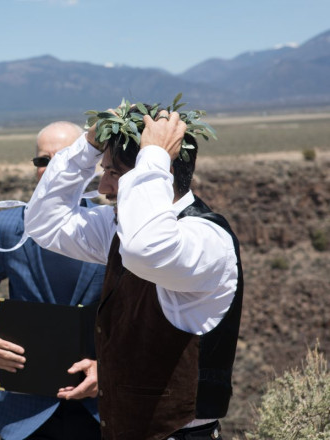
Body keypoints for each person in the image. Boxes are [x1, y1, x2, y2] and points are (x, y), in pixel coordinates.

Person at [24, 106, 242, 440]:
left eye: (114, 173)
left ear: (156, 173)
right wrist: (88, 144)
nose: (103, 187)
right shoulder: (120, 229)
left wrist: (154, 156)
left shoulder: (206, 240)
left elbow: (146, 250)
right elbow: (45, 223)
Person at [0, 121, 109, 440]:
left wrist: (109, 369)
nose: (50, 168)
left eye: (64, 157)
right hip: (26, 416)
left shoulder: (107, 228)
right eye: (42, 160)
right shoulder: (9, 227)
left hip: (99, 412)